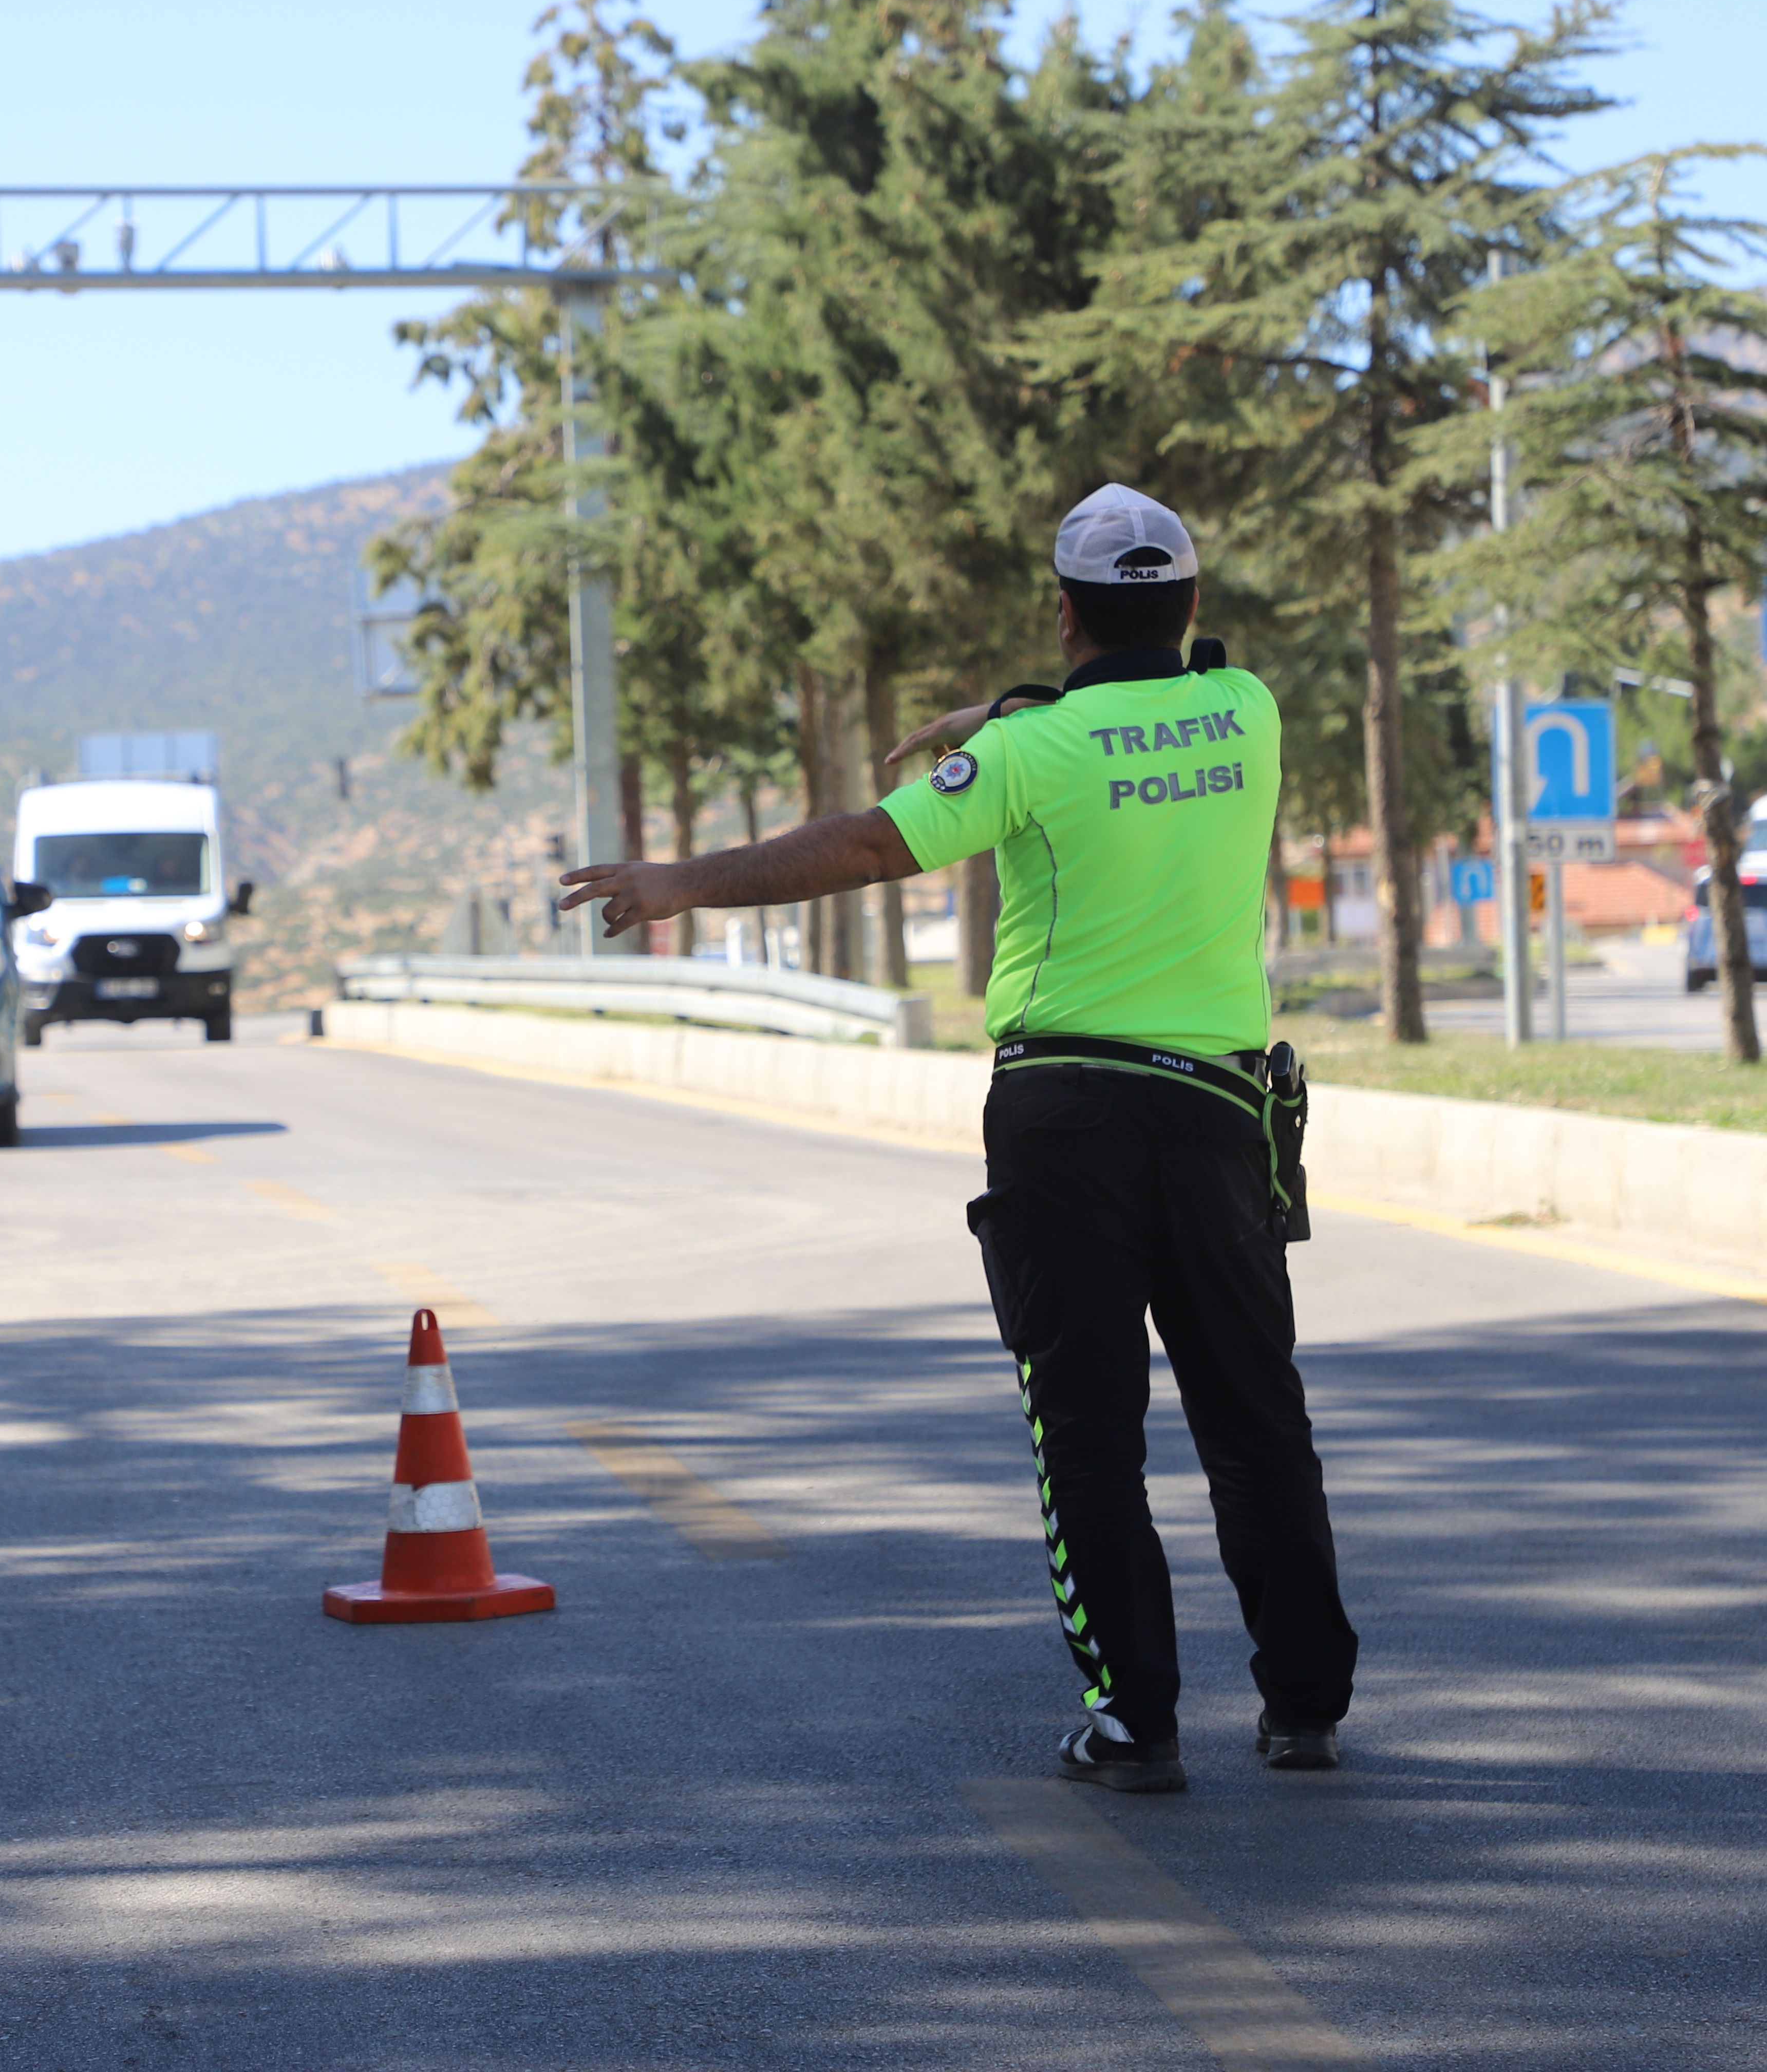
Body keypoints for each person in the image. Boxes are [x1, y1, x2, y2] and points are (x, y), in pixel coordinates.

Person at [557, 483, 1356, 1795]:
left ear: (1063, 617)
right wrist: (1003, 716)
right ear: (1196, 606)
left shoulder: (1034, 754)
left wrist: (682, 882)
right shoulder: (1250, 712)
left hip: (1066, 1122)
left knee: (1088, 1434)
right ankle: (1306, 1707)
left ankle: (1135, 1725)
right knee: (1257, 1418)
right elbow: (1149, 707)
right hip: (1220, 1116)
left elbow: (875, 843)